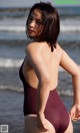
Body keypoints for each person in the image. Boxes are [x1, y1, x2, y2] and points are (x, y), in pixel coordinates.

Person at [19, 2, 80, 133]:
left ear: (48, 26)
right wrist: (77, 103)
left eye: (38, 22)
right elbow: (77, 72)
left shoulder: (32, 48)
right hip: (64, 119)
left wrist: (40, 113)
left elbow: (45, 79)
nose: (31, 24)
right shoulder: (57, 49)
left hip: (40, 118)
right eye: (30, 18)